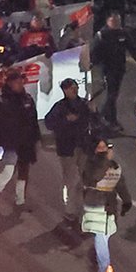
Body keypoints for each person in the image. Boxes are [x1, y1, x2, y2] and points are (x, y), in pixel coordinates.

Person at [44, 76, 97, 220]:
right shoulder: (60, 107)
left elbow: (95, 122)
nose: (74, 90)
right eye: (70, 88)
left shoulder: (84, 104)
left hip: (83, 146)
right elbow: (49, 123)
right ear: (65, 91)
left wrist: (93, 111)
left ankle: (80, 205)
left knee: (83, 179)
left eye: (75, 87)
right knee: (70, 179)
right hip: (67, 148)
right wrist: (65, 120)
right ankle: (70, 209)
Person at [80, 136, 132, 272]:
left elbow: (120, 184)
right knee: (101, 237)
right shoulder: (90, 164)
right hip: (96, 205)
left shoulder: (113, 165)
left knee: (105, 235)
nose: (104, 151)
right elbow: (94, 177)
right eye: (100, 148)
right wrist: (105, 161)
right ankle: (104, 269)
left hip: (109, 207)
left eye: (106, 148)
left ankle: (101, 263)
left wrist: (127, 201)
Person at [0, 65, 40, 208]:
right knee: (9, 169)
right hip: (9, 142)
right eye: (17, 82)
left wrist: (36, 139)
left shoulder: (28, 99)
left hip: (26, 142)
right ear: (10, 84)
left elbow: (33, 120)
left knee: (23, 172)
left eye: (21, 82)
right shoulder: (2, 101)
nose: (20, 84)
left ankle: (20, 200)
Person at [91, 9, 136, 129]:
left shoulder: (123, 33)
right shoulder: (102, 35)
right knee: (112, 95)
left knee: (114, 95)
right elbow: (94, 53)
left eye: (118, 20)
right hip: (107, 69)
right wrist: (95, 66)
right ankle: (106, 117)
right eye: (114, 20)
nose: (116, 23)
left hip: (119, 68)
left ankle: (109, 118)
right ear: (108, 21)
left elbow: (132, 49)